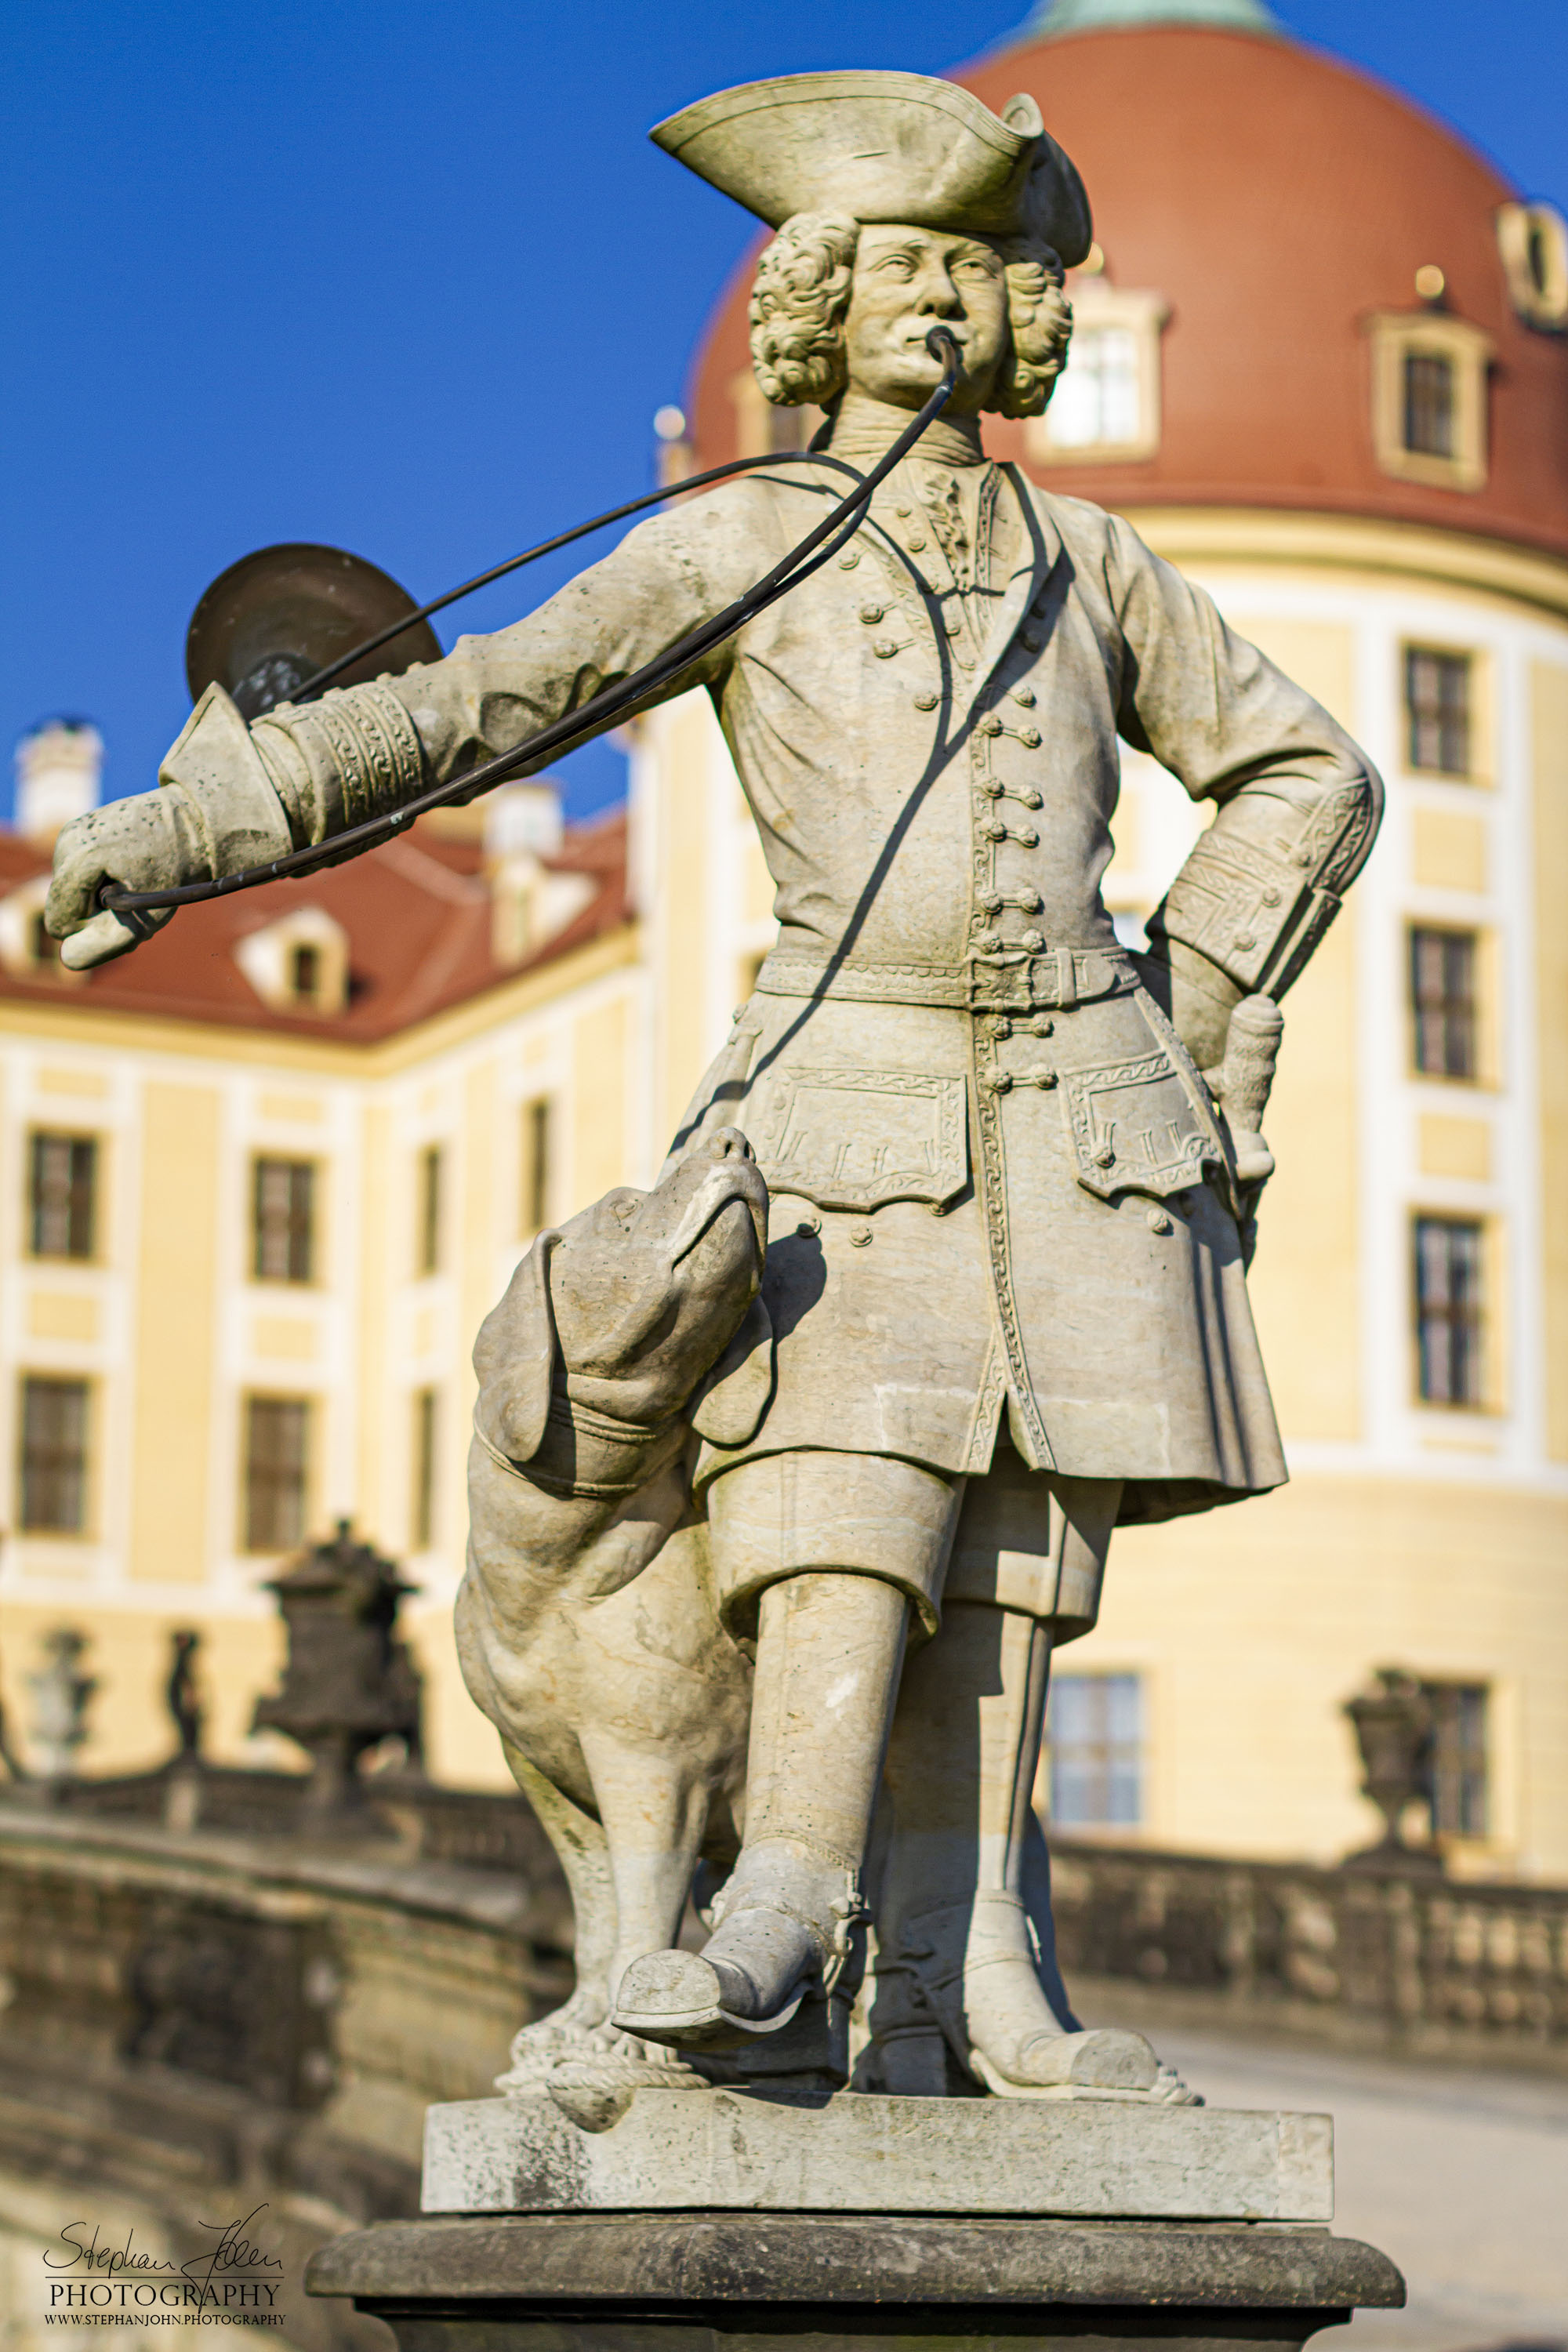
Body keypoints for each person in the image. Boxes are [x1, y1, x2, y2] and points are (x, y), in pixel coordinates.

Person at [46, 73, 1382, 2097]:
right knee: (840, 1490)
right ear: (817, 306)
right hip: (849, 1078)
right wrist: (190, 833)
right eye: (899, 268)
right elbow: (495, 703)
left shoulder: (1094, 561)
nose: (940, 303)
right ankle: (775, 1913)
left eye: (976, 268)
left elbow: (1311, 772)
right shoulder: (744, 535)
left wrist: (1191, 994)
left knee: (1019, 1543)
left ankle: (982, 1973)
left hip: (1079, 1097)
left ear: (1025, 314)